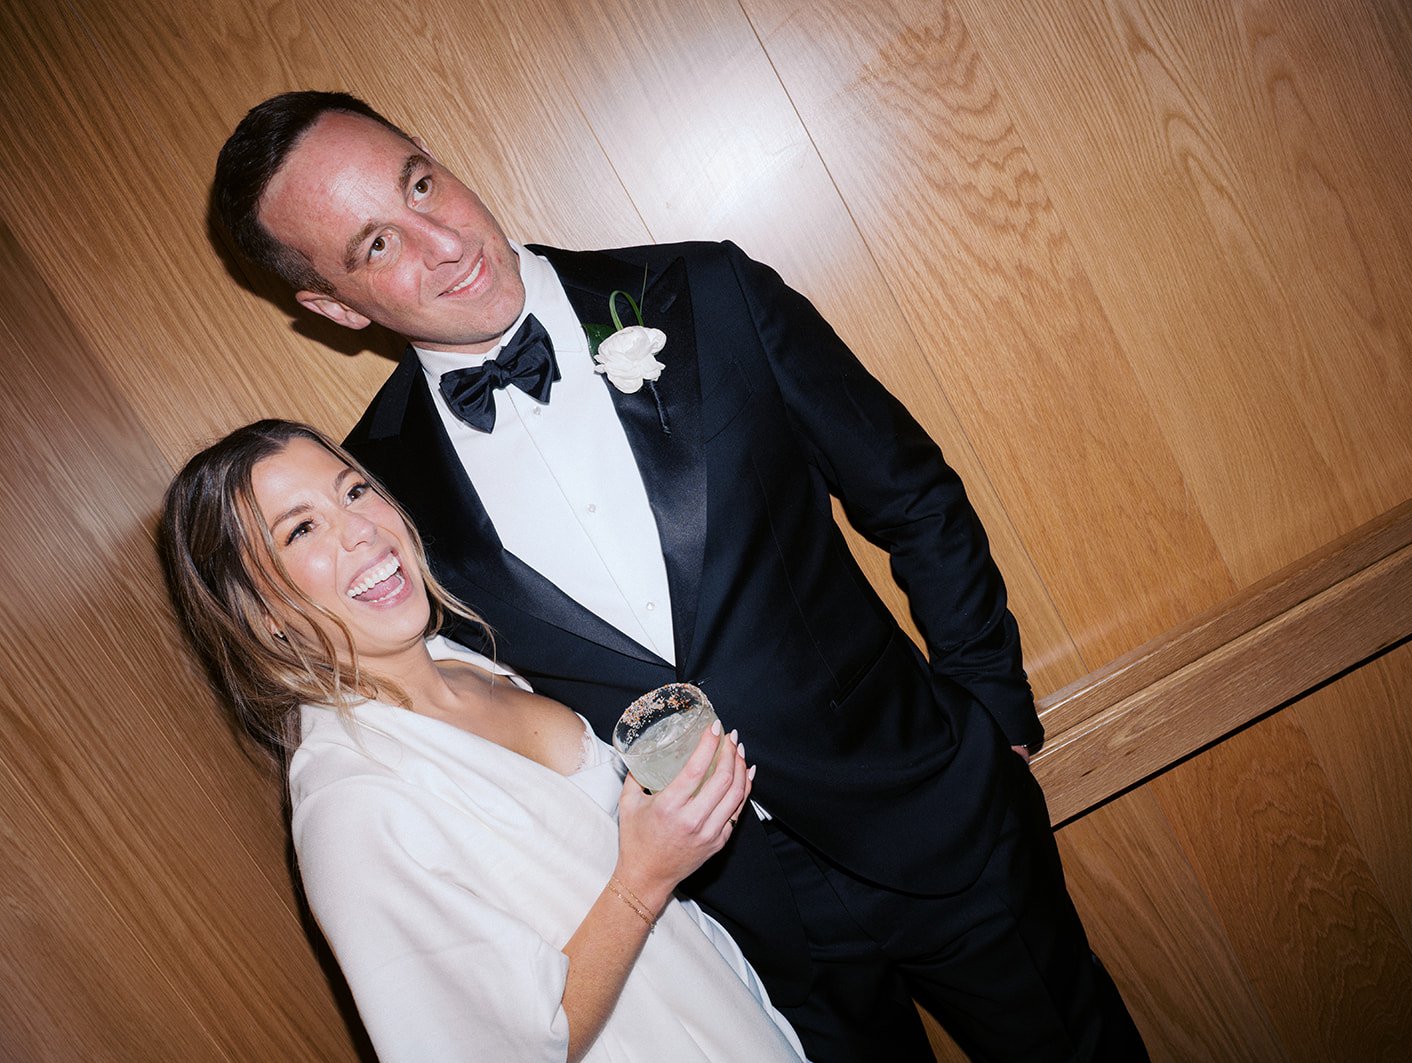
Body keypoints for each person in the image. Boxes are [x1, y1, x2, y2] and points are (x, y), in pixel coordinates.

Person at [212, 91, 1147, 1061]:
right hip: (731, 923)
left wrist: (991, 712)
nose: (443, 242)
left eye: (421, 183)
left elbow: (911, 496)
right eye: (375, 246)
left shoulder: (705, 293)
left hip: (935, 815)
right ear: (331, 306)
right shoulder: (380, 486)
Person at [160, 418, 809, 1063]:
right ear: (261, 613)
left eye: (353, 490)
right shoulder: (349, 807)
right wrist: (645, 876)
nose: (361, 530)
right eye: (302, 529)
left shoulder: (463, 660)